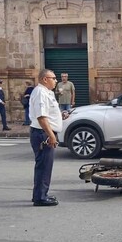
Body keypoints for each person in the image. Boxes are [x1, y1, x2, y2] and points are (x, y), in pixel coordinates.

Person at [29, 69, 68, 207]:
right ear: (45, 79)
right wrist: (51, 135)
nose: (56, 80)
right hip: (42, 133)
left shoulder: (47, 92)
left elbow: (48, 114)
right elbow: (41, 117)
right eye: (53, 78)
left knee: (45, 166)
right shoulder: (40, 92)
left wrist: (61, 115)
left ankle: (40, 194)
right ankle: (40, 197)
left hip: (44, 132)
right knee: (44, 166)